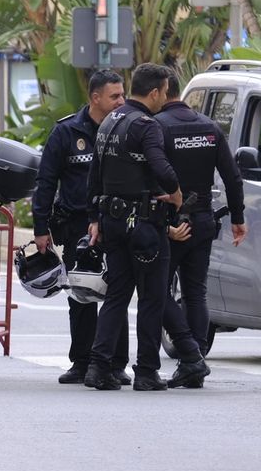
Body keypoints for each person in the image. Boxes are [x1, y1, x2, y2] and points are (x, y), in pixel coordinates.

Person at [84, 63, 207, 391]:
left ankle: (98, 367)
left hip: (112, 220)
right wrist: (177, 191)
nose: (165, 99)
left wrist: (93, 217)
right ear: (154, 92)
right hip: (145, 225)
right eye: (165, 93)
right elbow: (161, 167)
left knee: (117, 296)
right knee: (152, 298)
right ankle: (146, 371)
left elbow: (94, 174)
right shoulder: (146, 125)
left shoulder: (110, 121)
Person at [31, 68, 132, 387]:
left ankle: (116, 363)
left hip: (116, 224)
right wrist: (40, 227)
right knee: (82, 295)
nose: (121, 101)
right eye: (114, 96)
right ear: (95, 97)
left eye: (123, 95)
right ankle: (82, 360)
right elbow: (46, 181)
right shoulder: (66, 133)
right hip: (77, 226)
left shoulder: (128, 128)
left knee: (116, 293)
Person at [155, 71, 247, 388]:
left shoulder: (158, 128)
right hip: (204, 219)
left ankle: (190, 354)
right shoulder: (209, 128)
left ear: (163, 92)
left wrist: (164, 222)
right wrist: (238, 217)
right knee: (196, 293)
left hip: (171, 222)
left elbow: (152, 175)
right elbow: (232, 176)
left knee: (158, 290)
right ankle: (194, 362)